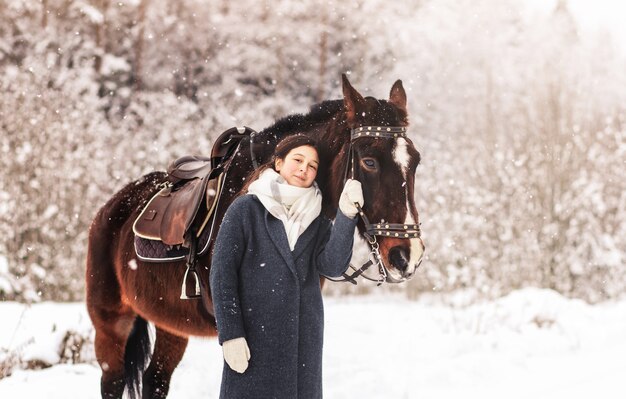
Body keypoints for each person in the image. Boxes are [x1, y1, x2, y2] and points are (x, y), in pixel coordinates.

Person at [209, 134, 364, 399]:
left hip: (303, 341)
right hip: (254, 338)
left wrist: (346, 215)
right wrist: (231, 334)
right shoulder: (246, 209)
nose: (304, 169)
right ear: (278, 163)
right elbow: (222, 276)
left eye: (313, 165)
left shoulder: (319, 219)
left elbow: (334, 266)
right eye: (298, 160)